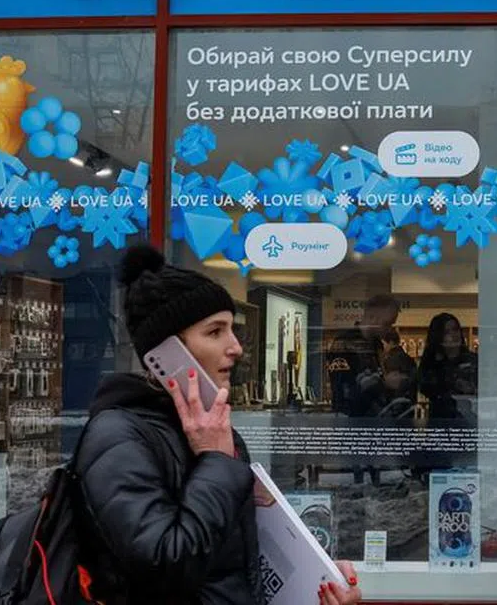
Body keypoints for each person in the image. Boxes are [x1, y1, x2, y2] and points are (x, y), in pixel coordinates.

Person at [73, 244, 362, 605]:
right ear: (165, 354)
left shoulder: (218, 433)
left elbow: (234, 568)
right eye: (215, 332)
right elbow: (163, 566)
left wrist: (314, 580)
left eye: (232, 329)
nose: (236, 347)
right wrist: (215, 462)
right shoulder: (118, 437)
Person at [327, 294, 401, 417]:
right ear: (372, 317)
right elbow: (343, 392)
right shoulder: (345, 343)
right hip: (351, 421)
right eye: (387, 323)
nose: (389, 329)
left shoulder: (376, 345)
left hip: (373, 418)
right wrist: (384, 383)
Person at [418, 313, 478, 422]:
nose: (454, 335)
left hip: (469, 419)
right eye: (446, 332)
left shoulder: (473, 360)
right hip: (441, 420)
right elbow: (426, 388)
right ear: (438, 336)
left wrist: (471, 388)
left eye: (456, 330)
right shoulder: (432, 363)